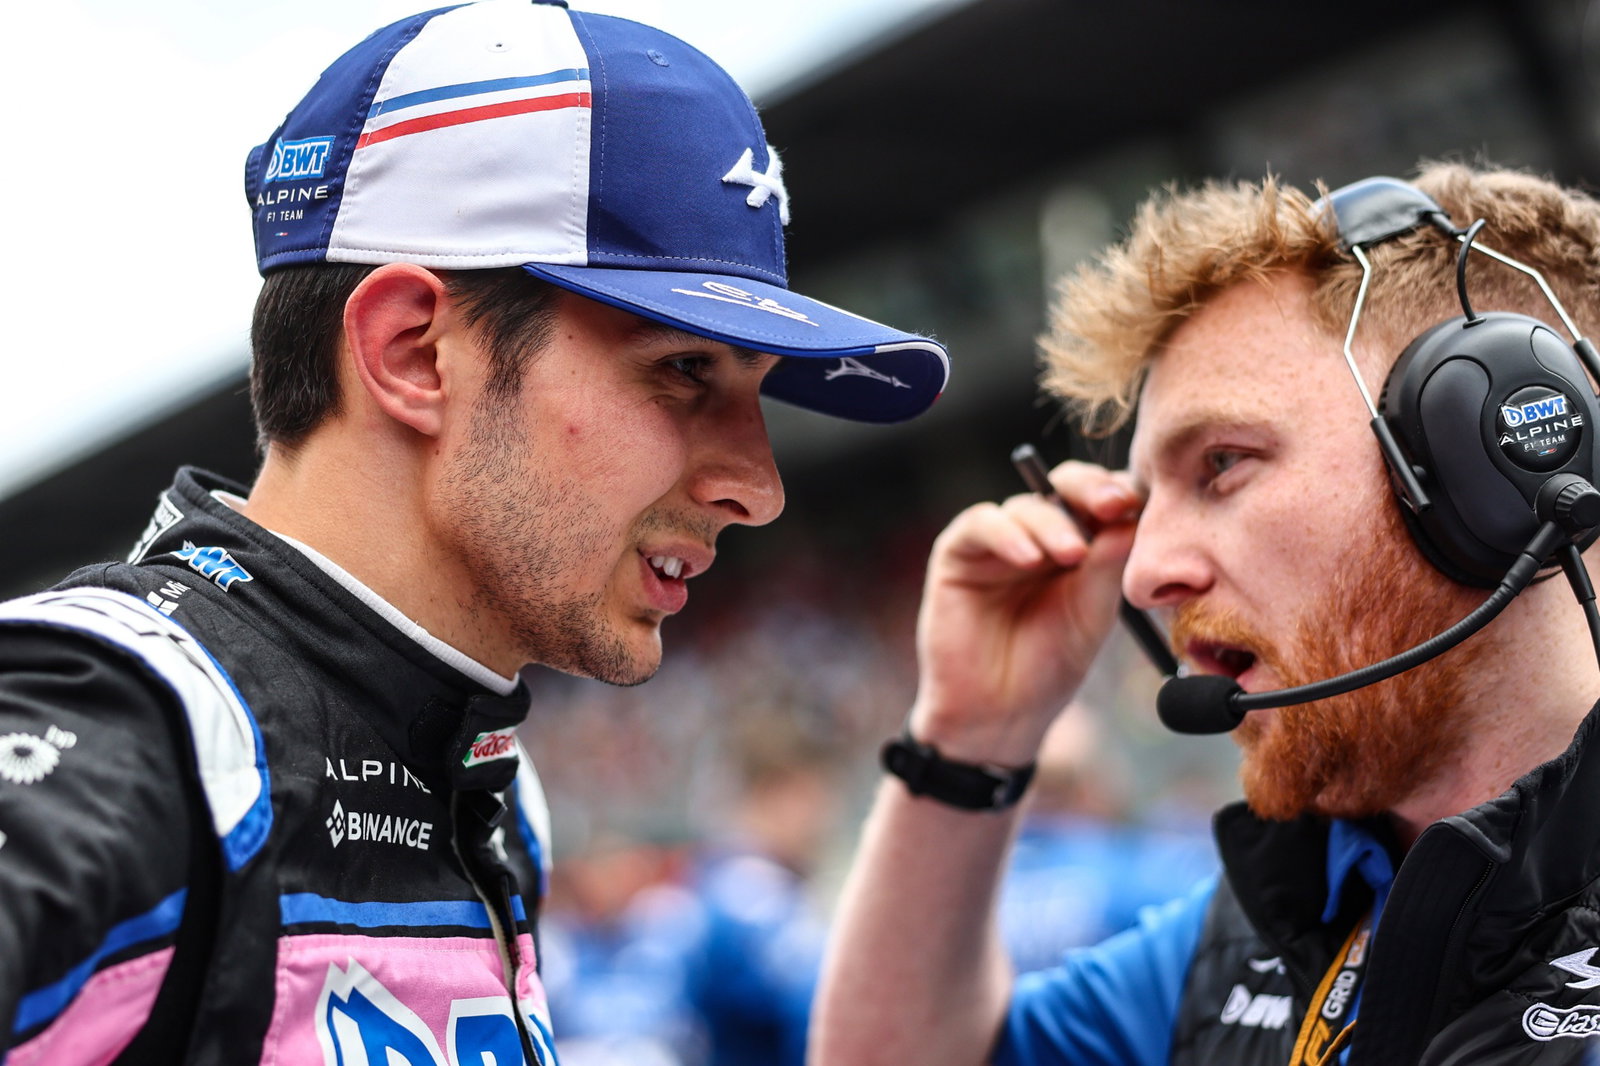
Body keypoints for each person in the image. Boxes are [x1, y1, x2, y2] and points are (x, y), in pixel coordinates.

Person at [0, 3, 948, 1063]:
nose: (759, 485)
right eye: (684, 370)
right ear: (413, 354)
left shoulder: (491, 783)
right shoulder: (120, 738)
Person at [810, 161, 1600, 1066]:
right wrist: (968, 738)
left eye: (1221, 464)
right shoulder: (1252, 932)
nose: (1142, 573)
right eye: (1143, 501)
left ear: (1494, 458)